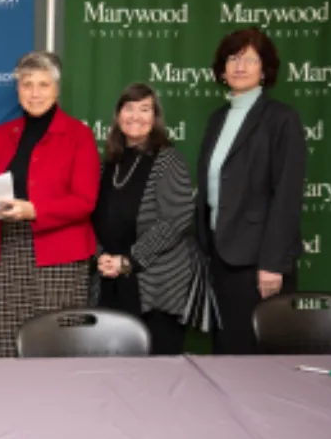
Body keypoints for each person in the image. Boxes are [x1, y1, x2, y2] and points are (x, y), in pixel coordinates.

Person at [0, 51, 101, 358]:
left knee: (57, 341)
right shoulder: (0, 135)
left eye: (43, 85)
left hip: (61, 253)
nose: (35, 93)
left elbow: (85, 201)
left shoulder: (78, 135)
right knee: (6, 339)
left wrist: (36, 210)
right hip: (8, 249)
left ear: (57, 89)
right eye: (27, 84)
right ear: (17, 90)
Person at [196, 27, 307, 354]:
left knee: (255, 360)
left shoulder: (281, 120)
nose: (239, 66)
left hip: (259, 263)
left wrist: (272, 264)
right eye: (232, 58)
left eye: (249, 59)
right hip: (220, 257)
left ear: (265, 69)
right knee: (227, 350)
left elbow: (286, 197)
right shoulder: (218, 118)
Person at [90, 83, 196, 355]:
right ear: (118, 115)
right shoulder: (108, 164)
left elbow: (176, 220)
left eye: (145, 109)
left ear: (155, 117)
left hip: (155, 284)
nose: (136, 116)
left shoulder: (168, 159)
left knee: (158, 376)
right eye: (129, 108)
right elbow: (93, 218)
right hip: (110, 281)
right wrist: (101, 256)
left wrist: (129, 261)